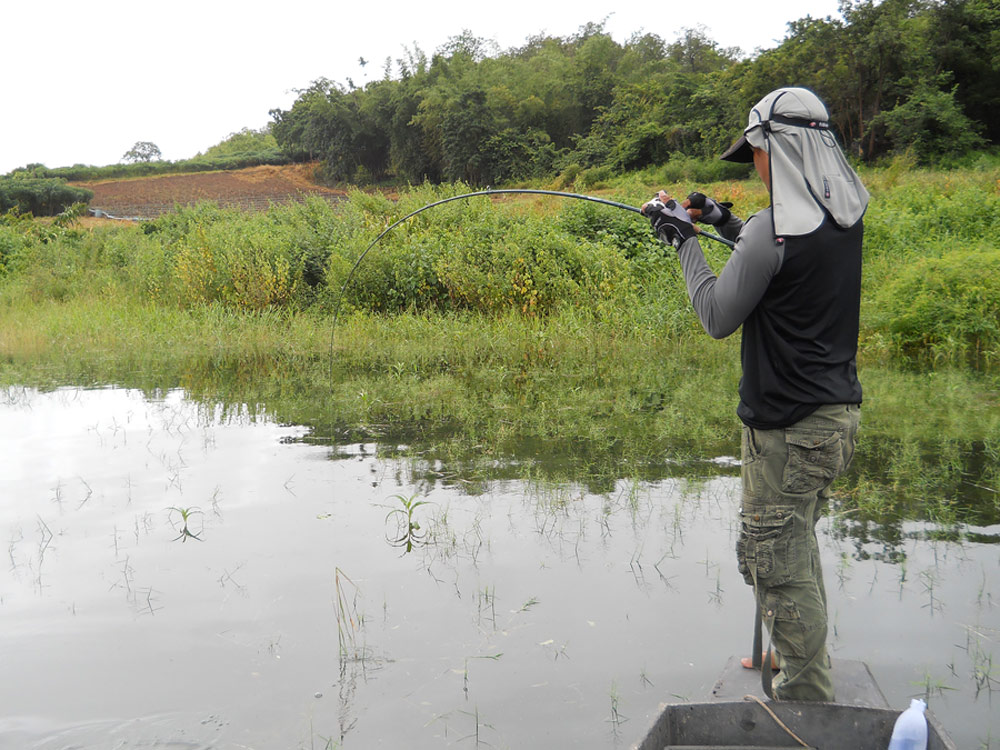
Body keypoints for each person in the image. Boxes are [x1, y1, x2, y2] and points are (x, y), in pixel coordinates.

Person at [642, 87, 868, 702]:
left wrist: (682, 241)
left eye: (759, 154)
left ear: (784, 150)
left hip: (787, 431)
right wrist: (725, 223)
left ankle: (805, 701)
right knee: (795, 545)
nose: (758, 166)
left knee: (777, 561)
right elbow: (781, 261)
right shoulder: (845, 220)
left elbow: (718, 315)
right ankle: (804, 671)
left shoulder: (773, 231)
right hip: (832, 420)